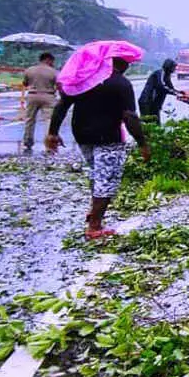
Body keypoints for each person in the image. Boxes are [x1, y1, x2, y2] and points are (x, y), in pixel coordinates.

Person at [45, 42, 151, 239]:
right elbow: (129, 117)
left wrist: (52, 132)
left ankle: (93, 210)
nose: (128, 66)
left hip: (83, 135)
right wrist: (142, 143)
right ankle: (94, 226)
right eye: (127, 62)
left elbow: (62, 105)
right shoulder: (121, 83)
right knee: (107, 178)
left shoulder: (84, 79)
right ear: (117, 61)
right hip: (109, 137)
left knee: (96, 172)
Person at [17, 51, 59, 152]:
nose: (53, 63)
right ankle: (48, 144)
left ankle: (28, 142)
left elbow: (25, 83)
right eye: (52, 61)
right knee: (48, 120)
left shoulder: (29, 70)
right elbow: (58, 84)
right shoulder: (54, 72)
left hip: (32, 96)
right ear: (48, 59)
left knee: (30, 119)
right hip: (48, 96)